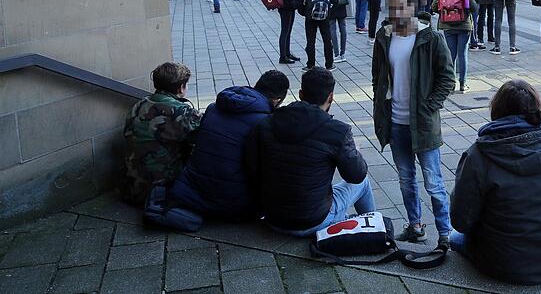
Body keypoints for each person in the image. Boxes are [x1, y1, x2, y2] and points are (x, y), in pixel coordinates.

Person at [450, 80, 541, 285]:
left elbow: (461, 221)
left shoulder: (478, 155)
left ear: (496, 109)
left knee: (453, 237)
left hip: (501, 260)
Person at [372, 0, 455, 249]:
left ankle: (445, 233)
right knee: (406, 179)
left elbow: (447, 78)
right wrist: (381, 104)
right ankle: (415, 226)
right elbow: (379, 77)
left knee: (434, 182)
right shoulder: (384, 37)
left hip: (423, 124)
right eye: (392, 7)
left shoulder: (431, 37)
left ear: (413, 7)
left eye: (401, 7)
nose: (396, 13)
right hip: (396, 123)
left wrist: (429, 106)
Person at [245, 67, 374, 236]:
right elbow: (356, 175)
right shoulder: (337, 131)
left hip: (272, 217)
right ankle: (375, 230)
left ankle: (348, 220)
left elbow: (252, 168)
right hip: (313, 220)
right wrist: (354, 152)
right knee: (363, 184)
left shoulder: (267, 122)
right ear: (331, 97)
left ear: (300, 94)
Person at [170, 71, 290, 220]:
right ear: (276, 100)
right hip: (232, 203)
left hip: (191, 191)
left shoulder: (213, 108)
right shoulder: (263, 122)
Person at [121, 62, 202, 206]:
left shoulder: (139, 104)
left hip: (133, 186)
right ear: (181, 87)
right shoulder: (181, 111)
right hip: (160, 191)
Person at [432, 0, 478, 94]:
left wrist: (446, 12)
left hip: (448, 26)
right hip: (464, 26)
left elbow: (433, 7)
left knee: (451, 55)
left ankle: (451, 85)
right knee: (462, 54)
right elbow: (474, 8)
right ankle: (463, 84)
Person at [297, 0, 338, 71]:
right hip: (325, 17)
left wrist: (305, 12)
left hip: (310, 17)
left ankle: (310, 64)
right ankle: (329, 64)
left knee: (311, 41)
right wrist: (329, 12)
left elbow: (298, 2)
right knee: (327, 40)